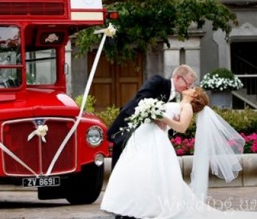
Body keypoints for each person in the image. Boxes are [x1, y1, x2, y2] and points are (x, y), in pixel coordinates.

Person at [100, 87, 254, 219]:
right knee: (138, 169)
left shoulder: (187, 107)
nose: (191, 87)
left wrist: (163, 118)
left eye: (193, 88)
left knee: (149, 171)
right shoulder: (179, 103)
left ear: (194, 96)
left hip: (156, 140)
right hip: (146, 137)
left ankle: (146, 207)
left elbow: (181, 128)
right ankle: (131, 205)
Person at [107, 64, 197, 168]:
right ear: (177, 78)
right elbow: (141, 99)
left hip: (147, 135)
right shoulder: (158, 81)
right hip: (129, 125)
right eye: (187, 83)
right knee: (120, 164)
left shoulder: (176, 98)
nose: (188, 87)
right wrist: (155, 116)